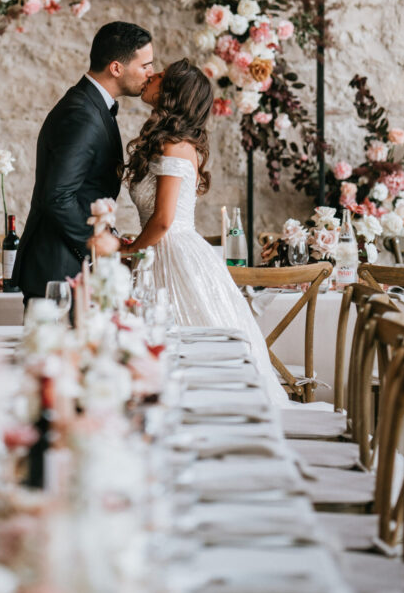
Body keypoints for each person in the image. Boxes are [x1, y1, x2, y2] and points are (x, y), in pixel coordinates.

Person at [120, 58, 289, 406]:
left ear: (172, 93)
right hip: (167, 250)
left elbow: (163, 220)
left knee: (181, 345)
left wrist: (130, 250)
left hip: (172, 254)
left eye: (160, 76)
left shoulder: (174, 146)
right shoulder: (176, 143)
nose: (151, 75)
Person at [12, 21, 154, 301]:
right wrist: (100, 244)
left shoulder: (91, 105)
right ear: (116, 68)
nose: (150, 73)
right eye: (145, 65)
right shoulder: (82, 114)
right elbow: (58, 196)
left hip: (69, 265)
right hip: (57, 269)